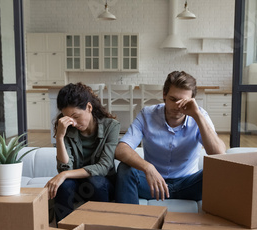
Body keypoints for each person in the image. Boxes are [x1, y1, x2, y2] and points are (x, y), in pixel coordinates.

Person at [115, 70, 226, 204]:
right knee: (124, 169)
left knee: (220, 170)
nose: (177, 106)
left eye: (183, 101)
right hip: (152, 184)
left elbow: (219, 154)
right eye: (173, 99)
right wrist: (148, 167)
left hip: (189, 184)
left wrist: (197, 115)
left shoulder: (200, 115)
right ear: (164, 95)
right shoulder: (147, 114)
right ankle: (129, 223)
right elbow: (121, 149)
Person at [45, 83, 120, 222]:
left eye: (76, 116)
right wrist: (60, 137)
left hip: (102, 184)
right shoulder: (66, 128)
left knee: (95, 181)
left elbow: (104, 167)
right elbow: (64, 167)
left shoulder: (111, 126)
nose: (73, 123)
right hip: (77, 185)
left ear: (89, 107)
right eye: (68, 118)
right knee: (64, 185)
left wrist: (65, 174)